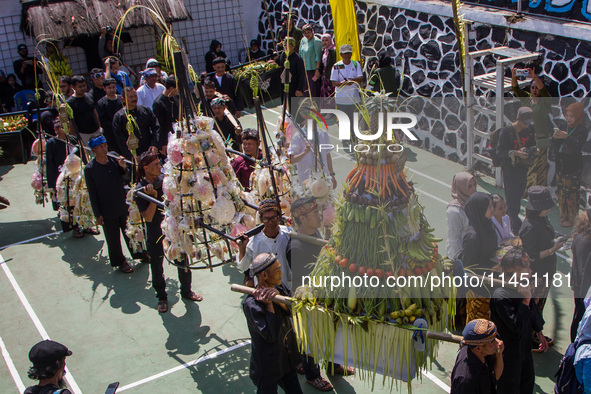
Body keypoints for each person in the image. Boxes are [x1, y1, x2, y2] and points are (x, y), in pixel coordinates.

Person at [289, 197, 353, 390]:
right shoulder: (296, 247)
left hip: (326, 293)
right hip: (309, 299)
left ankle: (333, 365)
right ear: (301, 218)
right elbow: (304, 283)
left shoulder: (315, 234)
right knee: (310, 336)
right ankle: (312, 374)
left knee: (332, 331)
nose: (319, 216)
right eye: (314, 213)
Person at [135, 152, 203, 313]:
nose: (160, 167)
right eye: (155, 165)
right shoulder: (140, 189)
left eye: (160, 164)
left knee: (183, 261)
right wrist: (152, 197)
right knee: (157, 266)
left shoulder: (165, 181)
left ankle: (186, 291)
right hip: (156, 233)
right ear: (145, 168)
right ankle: (162, 297)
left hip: (175, 230)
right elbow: (149, 217)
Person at [84, 136, 147, 273]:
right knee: (113, 238)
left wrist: (123, 168)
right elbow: (92, 193)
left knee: (131, 232)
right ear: (94, 149)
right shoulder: (90, 169)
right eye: (101, 147)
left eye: (105, 145)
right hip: (106, 208)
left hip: (121, 203)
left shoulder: (113, 160)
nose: (104, 148)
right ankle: (120, 261)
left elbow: (124, 177)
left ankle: (140, 254)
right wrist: (98, 214)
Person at [242, 253, 303, 393]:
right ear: (263, 275)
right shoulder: (252, 305)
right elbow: (270, 335)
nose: (281, 274)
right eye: (277, 271)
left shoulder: (279, 288)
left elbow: (293, 310)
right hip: (267, 366)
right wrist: (269, 305)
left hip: (286, 360)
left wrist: (277, 300)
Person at [490, 247, 547, 394]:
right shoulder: (500, 295)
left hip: (524, 347)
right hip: (508, 352)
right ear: (511, 269)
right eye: (525, 267)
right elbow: (516, 325)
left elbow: (533, 311)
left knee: (527, 382)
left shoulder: (521, 287)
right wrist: (526, 300)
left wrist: (539, 332)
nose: (530, 271)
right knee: (509, 387)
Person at [519, 186, 564, 332]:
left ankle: (535, 333)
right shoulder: (529, 227)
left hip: (546, 272)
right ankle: (530, 335)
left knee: (539, 306)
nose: (549, 209)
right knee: (533, 307)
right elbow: (529, 256)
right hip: (536, 275)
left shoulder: (542, 219)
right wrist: (552, 250)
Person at [496, 106, 537, 234]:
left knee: (517, 196)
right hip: (510, 169)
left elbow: (532, 144)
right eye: (525, 123)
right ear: (517, 119)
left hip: (522, 168)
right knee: (512, 199)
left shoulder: (530, 129)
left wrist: (533, 150)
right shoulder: (507, 131)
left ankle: (507, 220)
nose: (527, 126)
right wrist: (516, 153)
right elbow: (499, 152)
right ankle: (516, 227)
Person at [511, 66, 553, 192]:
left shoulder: (545, 102)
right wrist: (514, 76)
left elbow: (544, 91)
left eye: (536, 88)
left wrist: (534, 77)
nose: (534, 90)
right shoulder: (527, 100)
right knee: (529, 168)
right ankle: (527, 192)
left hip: (541, 140)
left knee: (541, 170)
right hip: (528, 140)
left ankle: (540, 192)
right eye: (532, 87)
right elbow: (516, 89)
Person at [238, 199, 292, 291]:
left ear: (279, 218)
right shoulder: (253, 241)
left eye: (273, 218)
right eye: (266, 219)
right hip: (264, 292)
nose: (270, 222)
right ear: (261, 220)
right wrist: (242, 248)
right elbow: (243, 267)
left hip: (288, 288)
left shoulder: (289, 234)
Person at [461, 192, 497, 322]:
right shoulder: (472, 237)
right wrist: (493, 268)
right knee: (479, 326)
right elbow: (468, 269)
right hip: (479, 288)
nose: (493, 209)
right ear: (479, 210)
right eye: (489, 207)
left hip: (491, 282)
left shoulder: (487, 224)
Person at [553, 102, 588, 227]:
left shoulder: (582, 130)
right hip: (561, 164)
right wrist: (556, 137)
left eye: (571, 116)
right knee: (561, 191)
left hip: (573, 166)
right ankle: (563, 215)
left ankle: (572, 218)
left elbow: (577, 147)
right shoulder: (562, 125)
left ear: (578, 117)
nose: (568, 118)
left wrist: (566, 137)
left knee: (571, 193)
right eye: (567, 115)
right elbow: (556, 145)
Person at [450, 319, 504, 393]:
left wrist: (499, 354)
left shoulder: (484, 354)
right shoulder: (465, 380)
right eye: (492, 341)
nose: (497, 343)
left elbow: (495, 377)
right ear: (478, 348)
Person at [288, 106, 337, 188]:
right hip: (306, 183)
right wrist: (304, 153)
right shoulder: (298, 136)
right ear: (305, 116)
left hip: (323, 180)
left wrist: (332, 175)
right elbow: (292, 160)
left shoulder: (323, 134)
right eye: (312, 114)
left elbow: (328, 155)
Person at [112, 87, 160, 160]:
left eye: (135, 96)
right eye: (130, 97)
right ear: (123, 99)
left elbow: (156, 127)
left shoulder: (145, 110)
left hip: (148, 152)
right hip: (132, 156)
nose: (134, 99)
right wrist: (130, 156)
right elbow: (120, 139)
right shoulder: (119, 117)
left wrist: (154, 144)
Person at [330, 44, 363, 148]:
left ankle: (353, 137)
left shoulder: (356, 64)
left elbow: (360, 78)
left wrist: (351, 81)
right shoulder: (336, 66)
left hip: (354, 98)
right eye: (345, 54)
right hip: (341, 98)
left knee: (353, 119)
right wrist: (343, 84)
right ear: (341, 55)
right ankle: (345, 140)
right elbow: (334, 82)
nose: (347, 56)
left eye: (349, 53)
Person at [446, 171, 477, 260]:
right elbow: (454, 239)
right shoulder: (454, 211)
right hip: (459, 256)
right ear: (461, 188)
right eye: (469, 186)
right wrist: (461, 258)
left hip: (472, 252)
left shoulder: (473, 202)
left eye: (474, 184)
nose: (474, 189)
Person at [571, 209, 591, 342]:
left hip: (580, 284)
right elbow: (585, 271)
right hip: (583, 287)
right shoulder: (586, 241)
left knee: (578, 315)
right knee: (580, 316)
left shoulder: (581, 237)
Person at [66, 75, 102, 146]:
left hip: (96, 131)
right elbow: (71, 122)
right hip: (83, 134)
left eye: (84, 85)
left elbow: (95, 113)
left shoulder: (89, 96)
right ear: (73, 87)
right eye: (80, 87)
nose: (83, 88)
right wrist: (75, 137)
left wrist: (100, 127)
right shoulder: (70, 102)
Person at [152, 75, 179, 154]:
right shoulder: (159, 103)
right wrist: (162, 144)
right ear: (171, 89)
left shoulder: (175, 98)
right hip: (167, 137)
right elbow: (158, 126)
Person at [277, 37, 306, 108]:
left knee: (294, 108)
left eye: (287, 45)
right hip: (284, 86)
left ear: (292, 46)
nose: (285, 47)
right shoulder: (282, 56)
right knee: (285, 106)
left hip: (294, 86)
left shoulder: (298, 59)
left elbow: (302, 75)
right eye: (285, 45)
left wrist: (299, 89)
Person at [96, 78, 123, 153]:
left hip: (123, 131)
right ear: (104, 88)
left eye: (113, 87)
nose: (112, 90)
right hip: (111, 134)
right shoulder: (101, 103)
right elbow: (103, 120)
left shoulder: (121, 99)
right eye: (109, 88)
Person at [299, 24, 322, 97]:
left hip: (312, 70)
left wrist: (317, 70)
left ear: (312, 31)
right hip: (304, 69)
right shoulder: (303, 40)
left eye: (308, 32)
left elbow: (318, 56)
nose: (307, 34)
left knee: (313, 90)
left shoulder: (316, 41)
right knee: (305, 90)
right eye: (305, 33)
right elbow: (300, 53)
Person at [319, 34, 336, 99]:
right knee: (324, 92)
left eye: (326, 40)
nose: (324, 42)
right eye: (323, 41)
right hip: (324, 74)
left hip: (331, 74)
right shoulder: (324, 51)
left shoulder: (333, 51)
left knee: (331, 92)